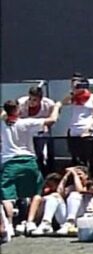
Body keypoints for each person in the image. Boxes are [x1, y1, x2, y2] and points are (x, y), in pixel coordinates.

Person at [1, 100, 61, 236]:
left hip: (9, 162)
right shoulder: (26, 122)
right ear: (17, 110)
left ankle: (9, 225)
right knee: (36, 192)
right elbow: (51, 120)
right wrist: (57, 107)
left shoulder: (2, 124)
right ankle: (30, 222)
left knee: (7, 196)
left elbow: (4, 116)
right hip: (28, 160)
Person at [60, 75, 93, 175]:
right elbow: (63, 102)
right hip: (74, 130)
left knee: (91, 158)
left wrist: (91, 128)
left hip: (88, 130)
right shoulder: (73, 98)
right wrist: (73, 93)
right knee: (76, 158)